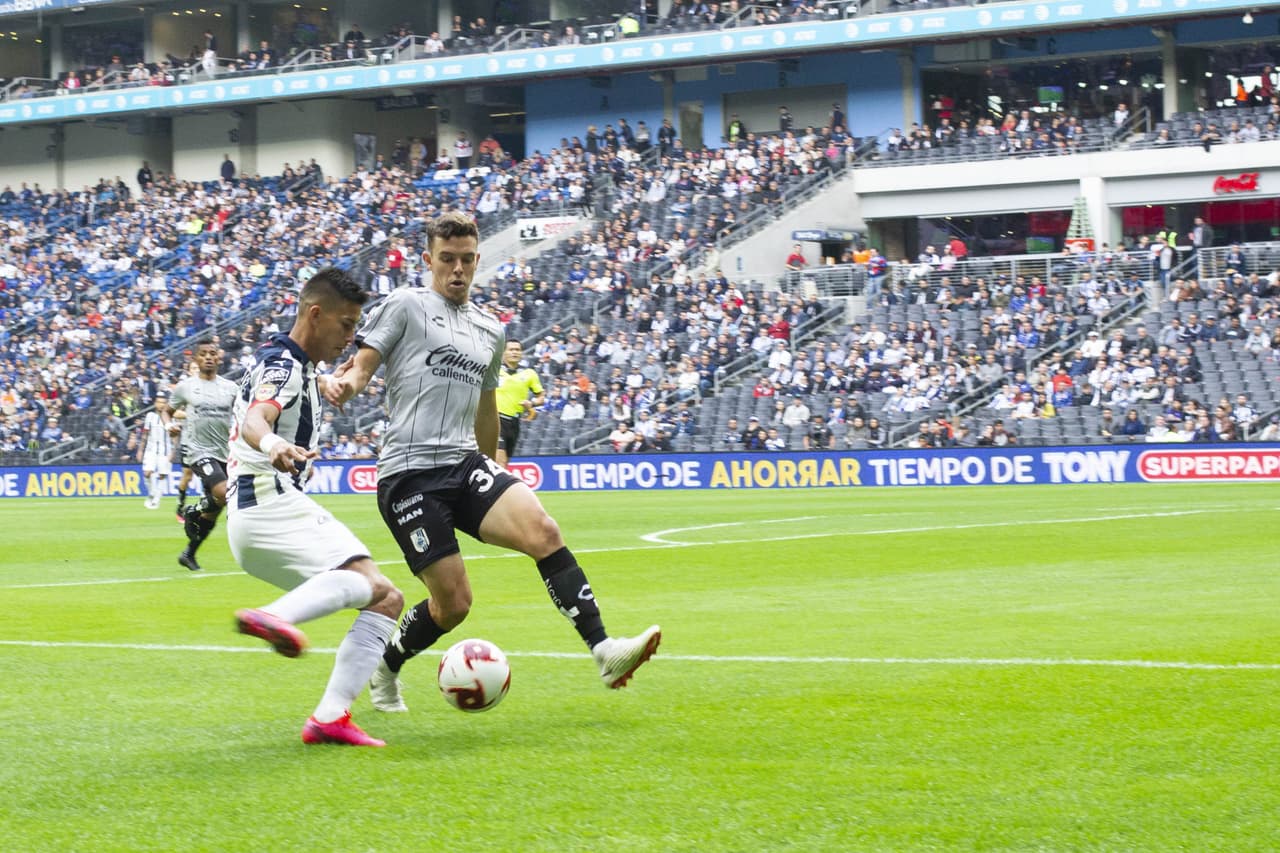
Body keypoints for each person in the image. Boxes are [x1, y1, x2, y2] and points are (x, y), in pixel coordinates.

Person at [328, 212, 660, 713]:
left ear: (478, 259)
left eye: (466, 260)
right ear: (428, 260)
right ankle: (387, 665)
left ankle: (604, 651)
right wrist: (346, 386)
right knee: (453, 605)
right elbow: (362, 366)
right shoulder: (405, 305)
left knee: (543, 531)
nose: (457, 269)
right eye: (447, 259)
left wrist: (492, 472)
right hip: (409, 474)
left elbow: (486, 408)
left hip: (465, 464)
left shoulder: (489, 329)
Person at [227, 267, 403, 747]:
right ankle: (274, 616)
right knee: (374, 586)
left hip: (254, 516)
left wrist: (321, 384)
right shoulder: (286, 367)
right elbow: (256, 418)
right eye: (346, 325)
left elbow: (283, 383)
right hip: (270, 501)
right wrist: (274, 444)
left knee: (385, 598)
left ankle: (330, 718)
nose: (350, 339)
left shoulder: (287, 361)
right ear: (316, 314)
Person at [170, 339, 238, 571]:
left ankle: (189, 553)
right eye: (203, 354)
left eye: (212, 353)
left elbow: (244, 414)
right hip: (198, 451)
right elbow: (167, 411)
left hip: (225, 452)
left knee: (216, 508)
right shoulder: (186, 387)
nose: (208, 357)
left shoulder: (231, 388)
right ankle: (192, 510)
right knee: (223, 491)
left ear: (219, 358)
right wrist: (169, 425)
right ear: (196, 359)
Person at [494, 339, 545, 468]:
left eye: (517, 350)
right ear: (503, 352)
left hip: (514, 423)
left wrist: (531, 403)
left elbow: (541, 397)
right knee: (500, 463)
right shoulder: (494, 371)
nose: (514, 352)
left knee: (505, 464)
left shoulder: (529, 374)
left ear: (522, 353)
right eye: (511, 349)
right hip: (496, 421)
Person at [138, 395, 177, 510]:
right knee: (147, 473)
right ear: (155, 403)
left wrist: (173, 452)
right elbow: (145, 434)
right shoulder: (150, 416)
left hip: (165, 451)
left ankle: (157, 499)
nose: (161, 405)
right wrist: (140, 450)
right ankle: (151, 493)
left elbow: (175, 436)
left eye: (163, 402)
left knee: (162, 475)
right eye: (159, 402)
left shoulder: (171, 417)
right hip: (151, 450)